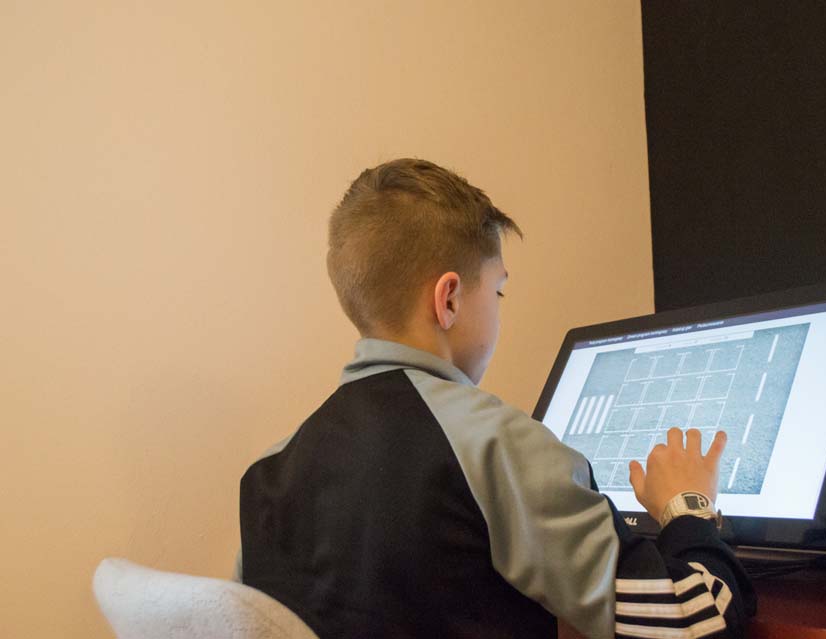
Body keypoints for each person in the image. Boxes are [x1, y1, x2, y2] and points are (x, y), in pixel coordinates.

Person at [239, 158, 756, 638]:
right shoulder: (495, 443)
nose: (500, 309)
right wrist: (688, 507)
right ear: (448, 299)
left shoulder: (267, 474)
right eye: (498, 290)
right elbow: (696, 620)